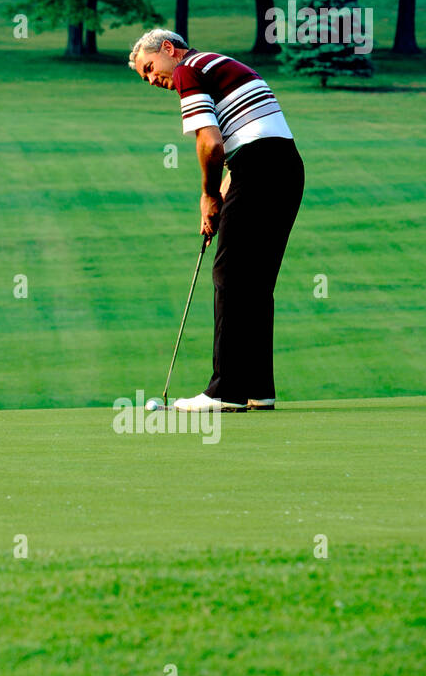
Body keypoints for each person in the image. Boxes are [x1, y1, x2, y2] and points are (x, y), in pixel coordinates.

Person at [129, 28, 304, 412]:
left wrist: (208, 195)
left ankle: (224, 392)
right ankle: (257, 388)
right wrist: (222, 198)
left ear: (169, 50)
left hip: (258, 171)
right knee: (255, 283)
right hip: (285, 170)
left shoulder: (188, 70)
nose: (152, 80)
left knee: (228, 275)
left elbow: (211, 143)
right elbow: (248, 143)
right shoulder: (224, 65)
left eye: (149, 68)